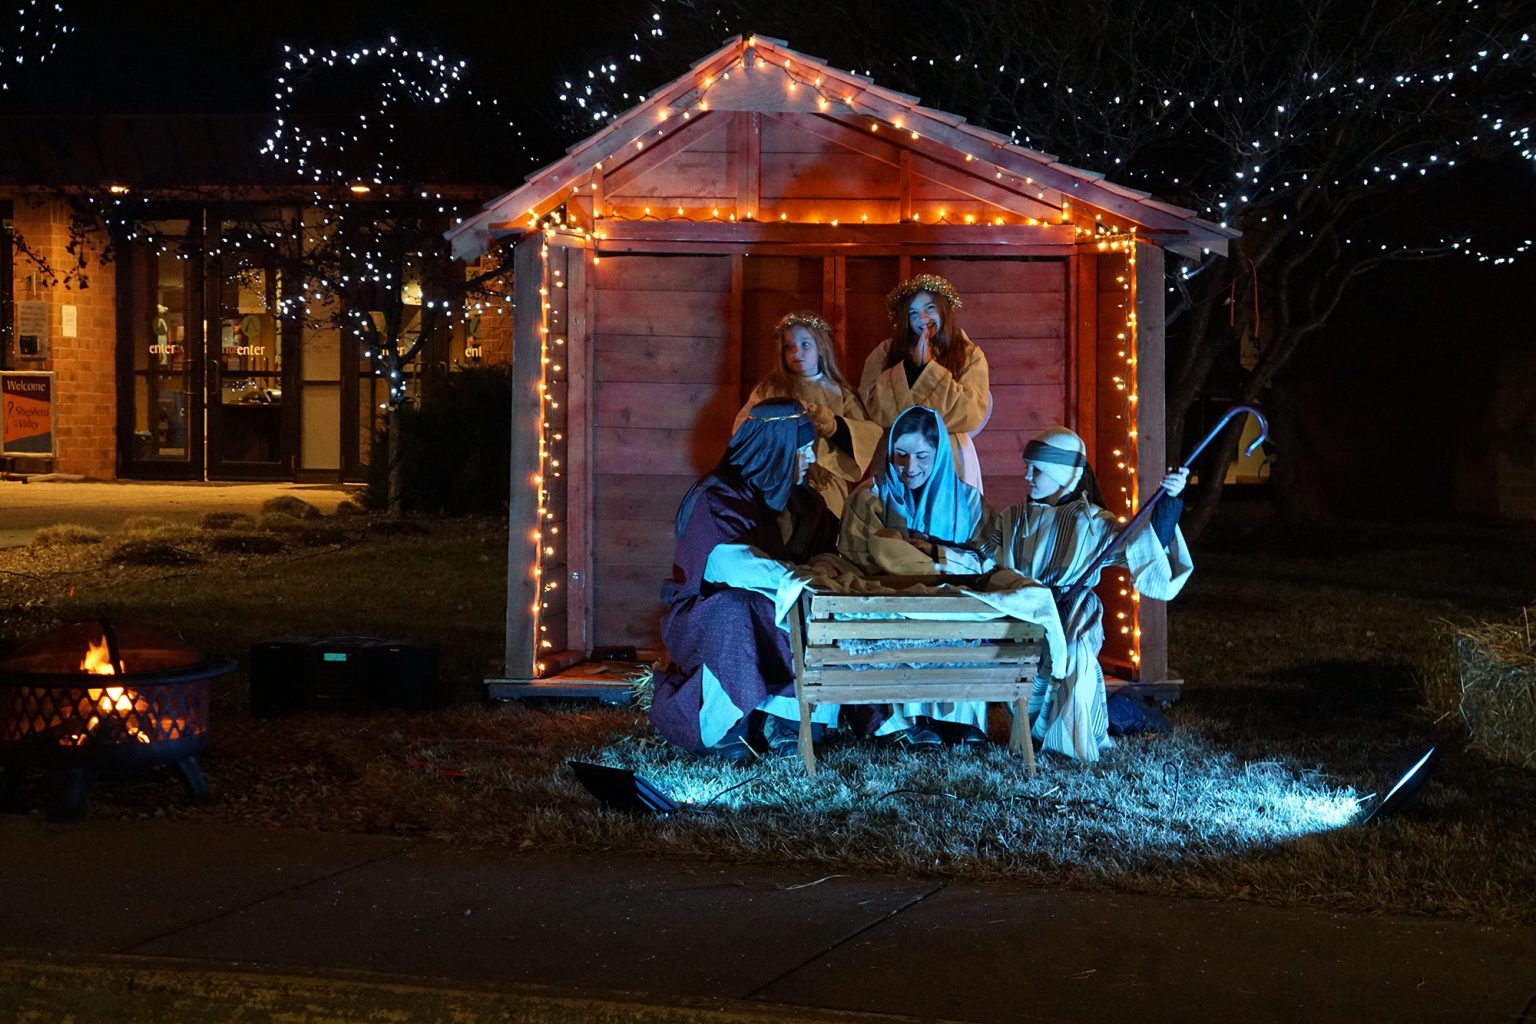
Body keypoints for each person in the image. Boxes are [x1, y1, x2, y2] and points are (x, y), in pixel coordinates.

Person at [985, 426, 1192, 763]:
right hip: (1026, 612)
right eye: (1027, 466)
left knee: (1074, 665)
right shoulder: (1014, 518)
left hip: (1073, 613)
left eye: (1036, 468)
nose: (1027, 475)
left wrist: (1169, 502)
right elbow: (982, 551)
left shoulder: (1094, 523)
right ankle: (1031, 732)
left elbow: (1143, 551)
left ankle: (1072, 738)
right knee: (1026, 676)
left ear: (1064, 475)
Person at [649, 398, 840, 759]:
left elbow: (829, 552)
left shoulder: (807, 503)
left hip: (780, 609)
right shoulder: (720, 495)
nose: (813, 459)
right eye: (804, 450)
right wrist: (798, 582)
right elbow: (731, 565)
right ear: (776, 451)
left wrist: (821, 573)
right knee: (739, 609)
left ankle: (783, 720)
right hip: (708, 615)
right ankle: (725, 725)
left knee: (809, 610)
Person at [839, 405, 992, 747]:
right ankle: (902, 720)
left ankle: (953, 718)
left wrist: (936, 555)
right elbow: (859, 557)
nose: (911, 467)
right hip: (889, 598)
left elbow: (986, 557)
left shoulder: (967, 501)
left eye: (923, 456)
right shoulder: (869, 498)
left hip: (949, 603)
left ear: (939, 456)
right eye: (901, 455)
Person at [733, 312, 882, 517]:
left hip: (826, 486)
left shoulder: (838, 392)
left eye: (805, 344)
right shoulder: (769, 391)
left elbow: (867, 434)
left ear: (820, 347)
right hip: (778, 485)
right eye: (789, 347)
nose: (797, 352)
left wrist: (833, 425)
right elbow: (743, 429)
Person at [859, 274, 992, 491]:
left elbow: (970, 412)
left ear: (943, 311)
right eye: (913, 313)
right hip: (897, 455)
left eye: (929, 308)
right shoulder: (885, 352)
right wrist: (911, 369)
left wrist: (928, 369)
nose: (922, 317)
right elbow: (874, 407)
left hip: (949, 453)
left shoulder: (969, 355)